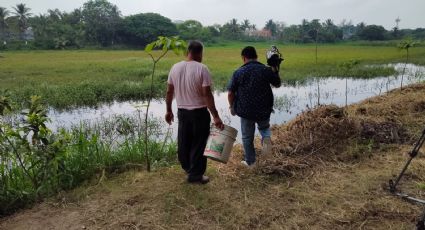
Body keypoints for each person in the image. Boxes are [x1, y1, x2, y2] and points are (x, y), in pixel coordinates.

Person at [165, 40, 224, 184]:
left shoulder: (175, 67)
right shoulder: (202, 68)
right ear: (200, 53)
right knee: (199, 143)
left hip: (182, 112)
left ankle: (188, 168)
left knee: (184, 141)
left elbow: (169, 91)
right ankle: (195, 175)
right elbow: (207, 95)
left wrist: (168, 111)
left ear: (188, 52)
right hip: (199, 113)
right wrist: (216, 116)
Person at [227, 46, 281, 167]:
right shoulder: (265, 70)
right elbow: (277, 84)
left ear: (244, 58)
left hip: (246, 111)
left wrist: (231, 107)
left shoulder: (238, 72)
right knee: (265, 131)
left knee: (247, 137)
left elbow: (230, 93)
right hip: (264, 109)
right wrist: (275, 69)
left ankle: (250, 162)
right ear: (256, 57)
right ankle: (267, 158)